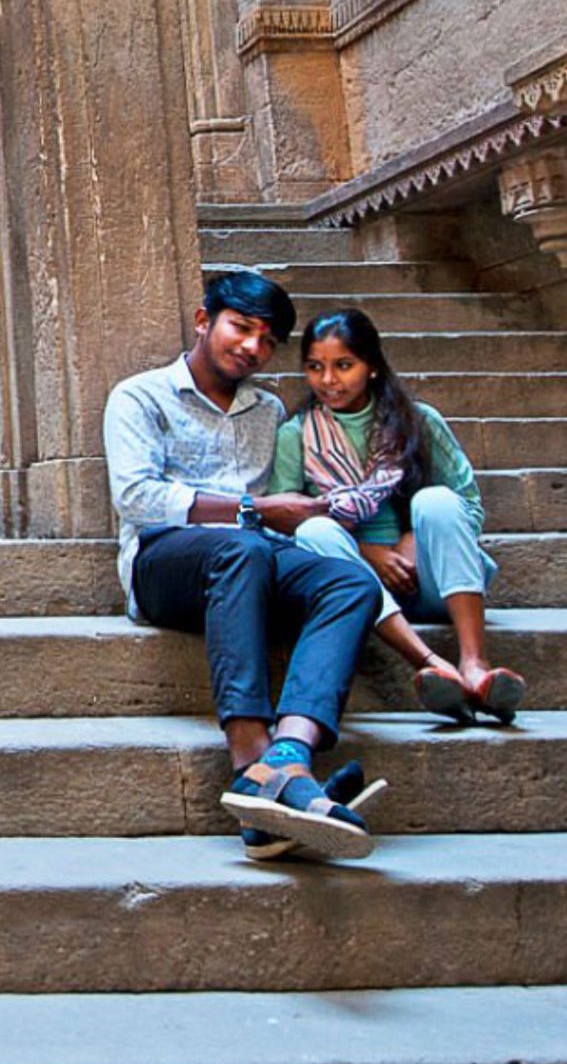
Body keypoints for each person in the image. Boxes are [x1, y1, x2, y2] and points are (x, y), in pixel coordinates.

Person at [104, 270, 388, 861]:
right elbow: (137, 498)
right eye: (241, 328)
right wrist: (254, 509)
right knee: (245, 545)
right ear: (205, 321)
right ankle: (249, 760)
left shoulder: (268, 411)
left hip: (252, 561)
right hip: (165, 563)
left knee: (351, 581)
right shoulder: (139, 396)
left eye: (267, 339)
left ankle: (289, 755)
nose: (252, 347)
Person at [272, 307, 526, 723]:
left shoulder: (418, 422)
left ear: (371, 366)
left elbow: (470, 506)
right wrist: (369, 554)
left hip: (432, 581)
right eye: (315, 368)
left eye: (344, 366)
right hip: (357, 586)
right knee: (312, 529)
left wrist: (410, 541)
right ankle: (429, 663)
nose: (329, 380)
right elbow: (283, 525)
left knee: (438, 501)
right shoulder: (295, 436)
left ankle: (474, 663)